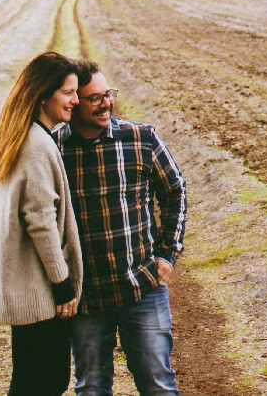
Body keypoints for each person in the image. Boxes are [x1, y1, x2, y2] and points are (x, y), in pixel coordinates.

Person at [54, 59, 188, 395]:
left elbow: (175, 190)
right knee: (92, 388)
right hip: (86, 298)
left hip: (141, 287)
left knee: (158, 385)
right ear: (73, 103)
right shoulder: (55, 149)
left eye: (108, 94)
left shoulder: (141, 139)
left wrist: (167, 253)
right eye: (94, 98)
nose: (107, 103)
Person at [0, 51, 83, 396]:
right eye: (68, 92)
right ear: (44, 93)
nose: (75, 101)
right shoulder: (35, 144)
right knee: (44, 382)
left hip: (22, 285)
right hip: (40, 292)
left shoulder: (17, 134)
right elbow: (41, 220)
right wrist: (62, 282)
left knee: (33, 380)